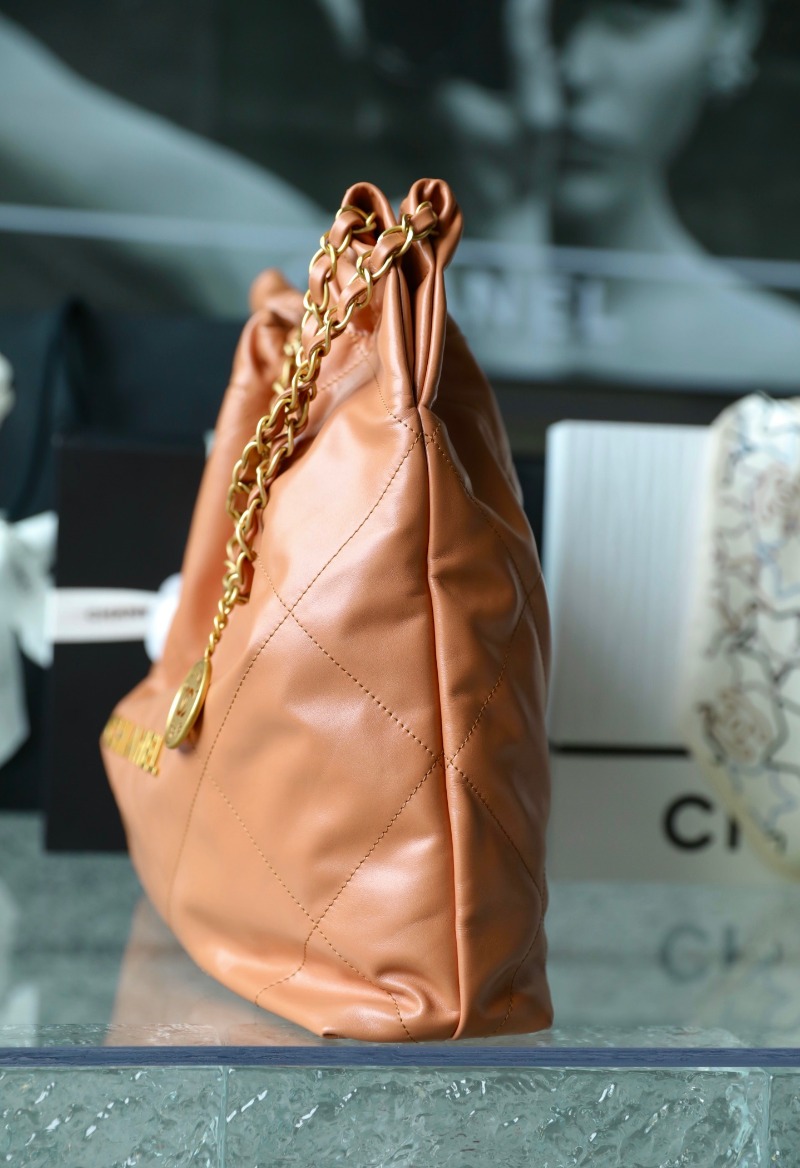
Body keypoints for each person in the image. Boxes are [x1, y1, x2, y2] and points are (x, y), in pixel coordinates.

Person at [548, 0, 800, 386]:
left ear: (733, 27)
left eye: (635, 10)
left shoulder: (779, 362)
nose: (576, 70)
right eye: (553, 15)